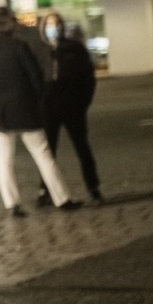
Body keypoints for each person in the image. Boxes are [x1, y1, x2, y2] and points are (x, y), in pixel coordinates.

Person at [0, 7, 79, 217]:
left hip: (2, 113)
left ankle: (12, 203)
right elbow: (36, 78)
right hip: (26, 110)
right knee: (42, 154)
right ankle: (62, 198)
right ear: (9, 24)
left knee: (4, 159)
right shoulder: (19, 47)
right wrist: (36, 100)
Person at [38, 19, 103, 206]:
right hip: (49, 108)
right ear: (43, 29)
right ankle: (45, 190)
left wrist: (83, 102)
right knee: (47, 151)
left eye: (55, 24)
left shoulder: (74, 48)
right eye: (48, 24)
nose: (52, 28)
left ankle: (93, 188)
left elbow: (88, 78)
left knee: (82, 148)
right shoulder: (41, 51)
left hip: (72, 107)